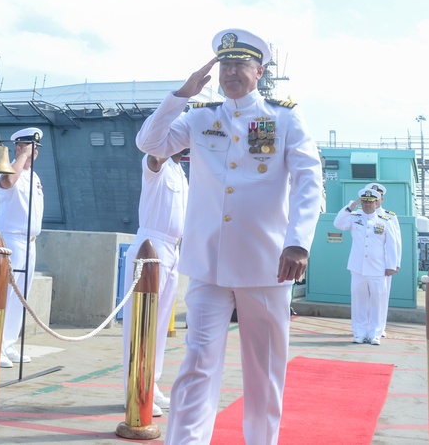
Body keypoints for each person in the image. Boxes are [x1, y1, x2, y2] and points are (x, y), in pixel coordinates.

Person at [135, 28, 323, 445]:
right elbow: (149, 143)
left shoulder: (284, 117)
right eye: (226, 64)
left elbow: (310, 180)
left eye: (241, 64)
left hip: (267, 262)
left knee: (265, 370)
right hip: (208, 263)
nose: (232, 71)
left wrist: (299, 242)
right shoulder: (200, 117)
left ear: (259, 72)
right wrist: (181, 93)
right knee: (198, 362)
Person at [121, 151, 189, 416]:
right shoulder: (157, 163)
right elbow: (154, 157)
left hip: (173, 249)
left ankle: (151, 383)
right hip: (151, 246)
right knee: (141, 323)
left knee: (159, 325)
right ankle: (133, 388)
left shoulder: (180, 171)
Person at [0, 127, 45, 369]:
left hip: (30, 242)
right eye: (31, 148)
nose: (35, 153)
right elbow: (7, 183)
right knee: (5, 293)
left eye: (36, 150)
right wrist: (21, 157)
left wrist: (26, 159)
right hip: (12, 240)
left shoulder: (34, 177)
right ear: (19, 147)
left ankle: (8, 344)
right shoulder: (9, 169)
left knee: (20, 296)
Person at [333, 185, 400, 344]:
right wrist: (351, 205)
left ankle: (375, 333)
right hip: (357, 267)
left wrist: (393, 264)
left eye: (370, 202)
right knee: (359, 302)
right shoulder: (354, 217)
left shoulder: (386, 220)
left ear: (376, 203)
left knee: (378, 301)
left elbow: (393, 244)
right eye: (364, 202)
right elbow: (338, 223)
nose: (367, 205)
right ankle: (359, 333)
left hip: (378, 268)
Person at [369, 182, 401, 341]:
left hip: (384, 264)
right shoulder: (361, 214)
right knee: (365, 296)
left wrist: (395, 263)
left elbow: (396, 241)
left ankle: (379, 327)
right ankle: (366, 327)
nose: (375, 199)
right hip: (366, 265)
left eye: (378, 196)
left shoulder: (390, 216)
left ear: (381, 198)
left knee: (382, 296)